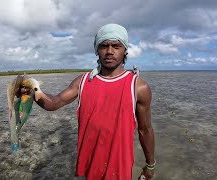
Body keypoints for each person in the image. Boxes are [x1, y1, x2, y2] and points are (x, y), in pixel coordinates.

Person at [19, 24, 155, 180]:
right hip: (91, 164)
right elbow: (54, 103)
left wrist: (150, 165)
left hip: (120, 167)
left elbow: (145, 130)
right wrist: (31, 92)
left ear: (125, 50)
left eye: (116, 46)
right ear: (97, 50)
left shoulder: (138, 87)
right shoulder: (83, 82)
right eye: (104, 46)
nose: (109, 51)